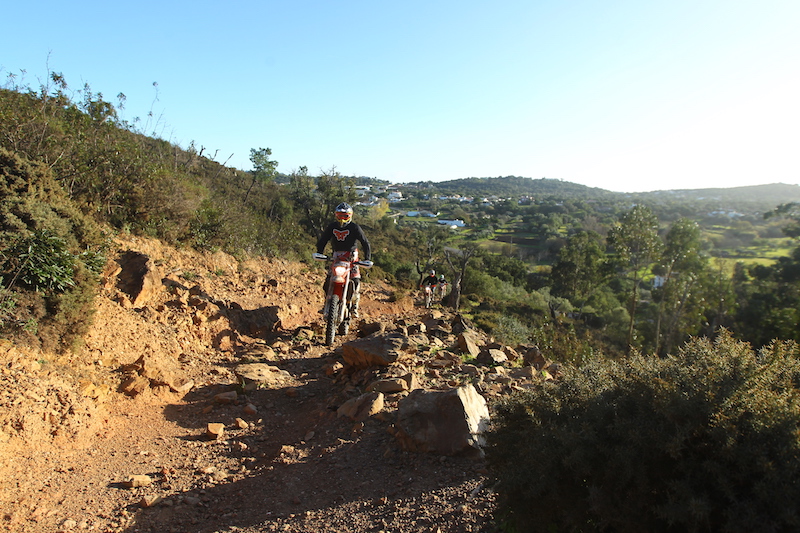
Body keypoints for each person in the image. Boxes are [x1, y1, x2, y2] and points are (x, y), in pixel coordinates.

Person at [315, 203, 371, 318]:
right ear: (336, 215)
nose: (342, 219)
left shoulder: (355, 227)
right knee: (327, 281)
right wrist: (320, 253)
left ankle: (354, 306)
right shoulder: (332, 226)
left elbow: (365, 242)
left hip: (351, 256)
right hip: (336, 256)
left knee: (355, 280)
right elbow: (323, 239)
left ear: (350, 216)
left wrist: (367, 259)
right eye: (339, 216)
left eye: (345, 216)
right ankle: (327, 302)